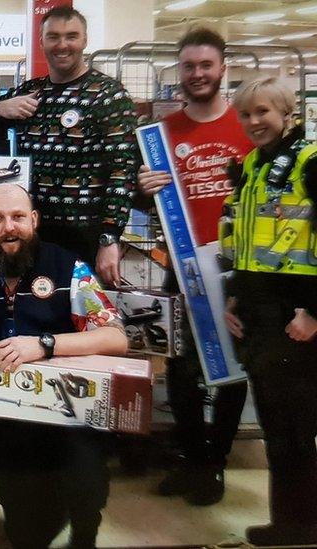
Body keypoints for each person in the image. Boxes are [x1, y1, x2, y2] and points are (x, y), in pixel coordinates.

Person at [0, 183, 128, 548]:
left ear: (33, 219)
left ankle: (84, 529)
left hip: (72, 414)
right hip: (11, 422)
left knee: (84, 495)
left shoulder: (69, 267)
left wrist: (44, 345)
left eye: (18, 217)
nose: (9, 227)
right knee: (24, 531)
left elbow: (116, 338)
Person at [135, 28, 251, 506]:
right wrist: (141, 184)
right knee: (181, 369)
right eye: (189, 66)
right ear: (178, 72)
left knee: (233, 370)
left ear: (222, 68)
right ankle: (191, 455)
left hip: (236, 268)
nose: (198, 74)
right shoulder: (164, 136)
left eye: (206, 65)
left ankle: (215, 462)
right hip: (180, 269)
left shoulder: (249, 126)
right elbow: (141, 203)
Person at [0, 6, 140, 286]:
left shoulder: (110, 95)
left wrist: (109, 237)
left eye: (71, 36)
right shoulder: (30, 92)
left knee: (83, 317)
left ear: (84, 40)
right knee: (31, 312)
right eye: (53, 37)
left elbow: (123, 170)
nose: (62, 45)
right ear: (41, 42)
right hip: (30, 234)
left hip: (85, 237)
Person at [221, 75, 317, 545]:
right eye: (246, 113)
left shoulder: (309, 163)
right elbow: (246, 241)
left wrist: (315, 313)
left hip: (296, 317)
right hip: (259, 312)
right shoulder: (255, 166)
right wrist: (235, 295)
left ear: (288, 112)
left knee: (297, 428)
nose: (255, 121)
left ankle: (301, 526)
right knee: (277, 423)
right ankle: (288, 523)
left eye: (264, 112)